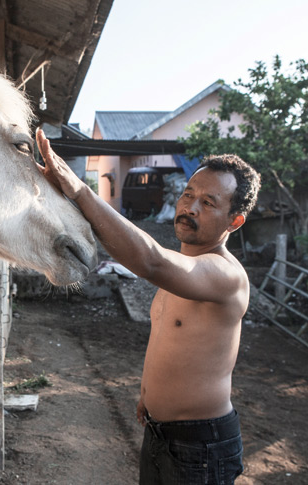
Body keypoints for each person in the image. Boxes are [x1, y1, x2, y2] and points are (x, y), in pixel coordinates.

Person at [35, 128, 261, 485]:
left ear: (235, 221)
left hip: (200, 446)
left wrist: (80, 191)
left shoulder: (225, 275)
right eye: (189, 194)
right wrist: (149, 397)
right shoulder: (184, 269)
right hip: (159, 432)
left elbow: (150, 261)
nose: (190, 207)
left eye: (209, 203)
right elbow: (171, 341)